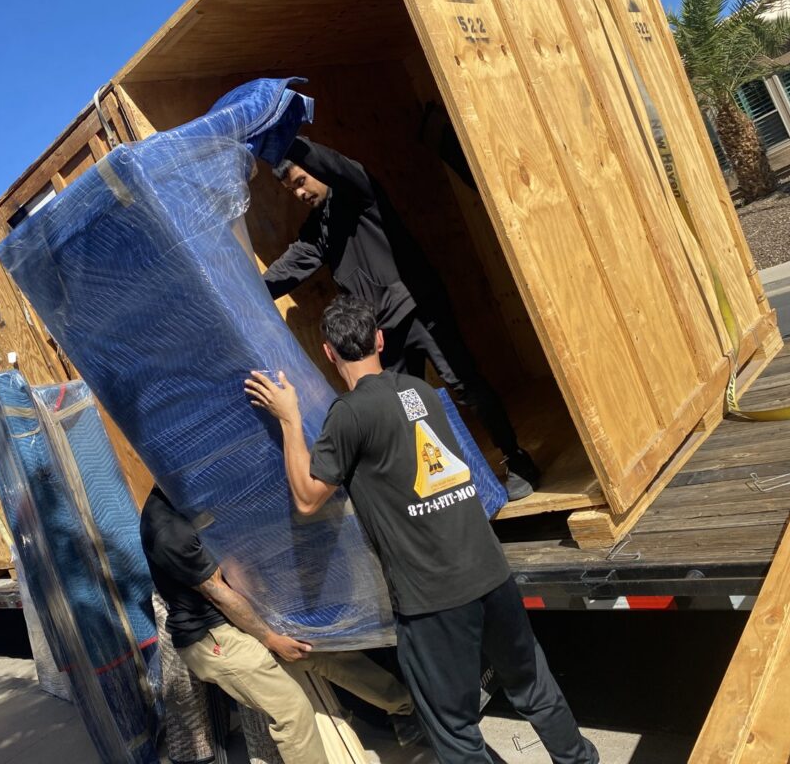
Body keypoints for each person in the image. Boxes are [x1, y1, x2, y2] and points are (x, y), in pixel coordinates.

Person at [245, 296, 599, 764]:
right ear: (379, 338)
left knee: (454, 730)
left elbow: (309, 498)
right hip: (490, 572)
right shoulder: (422, 392)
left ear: (329, 353)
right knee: (533, 685)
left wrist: (290, 418)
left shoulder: (349, 414)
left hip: (434, 598)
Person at [262, 136, 540, 501]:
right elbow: (293, 265)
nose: (298, 193)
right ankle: (451, 485)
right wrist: (249, 289)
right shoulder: (319, 230)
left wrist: (284, 136)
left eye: (301, 181)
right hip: (384, 332)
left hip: (421, 310)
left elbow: (331, 162)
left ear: (318, 170)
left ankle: (517, 459)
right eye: (290, 189)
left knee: (466, 385)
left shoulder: (358, 189)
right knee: (410, 409)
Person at [139, 486, 421, 764]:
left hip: (239, 616)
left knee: (325, 652)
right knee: (292, 710)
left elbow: (232, 564)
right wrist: (271, 638)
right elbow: (218, 593)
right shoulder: (167, 528)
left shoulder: (193, 495)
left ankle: (408, 710)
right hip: (213, 637)